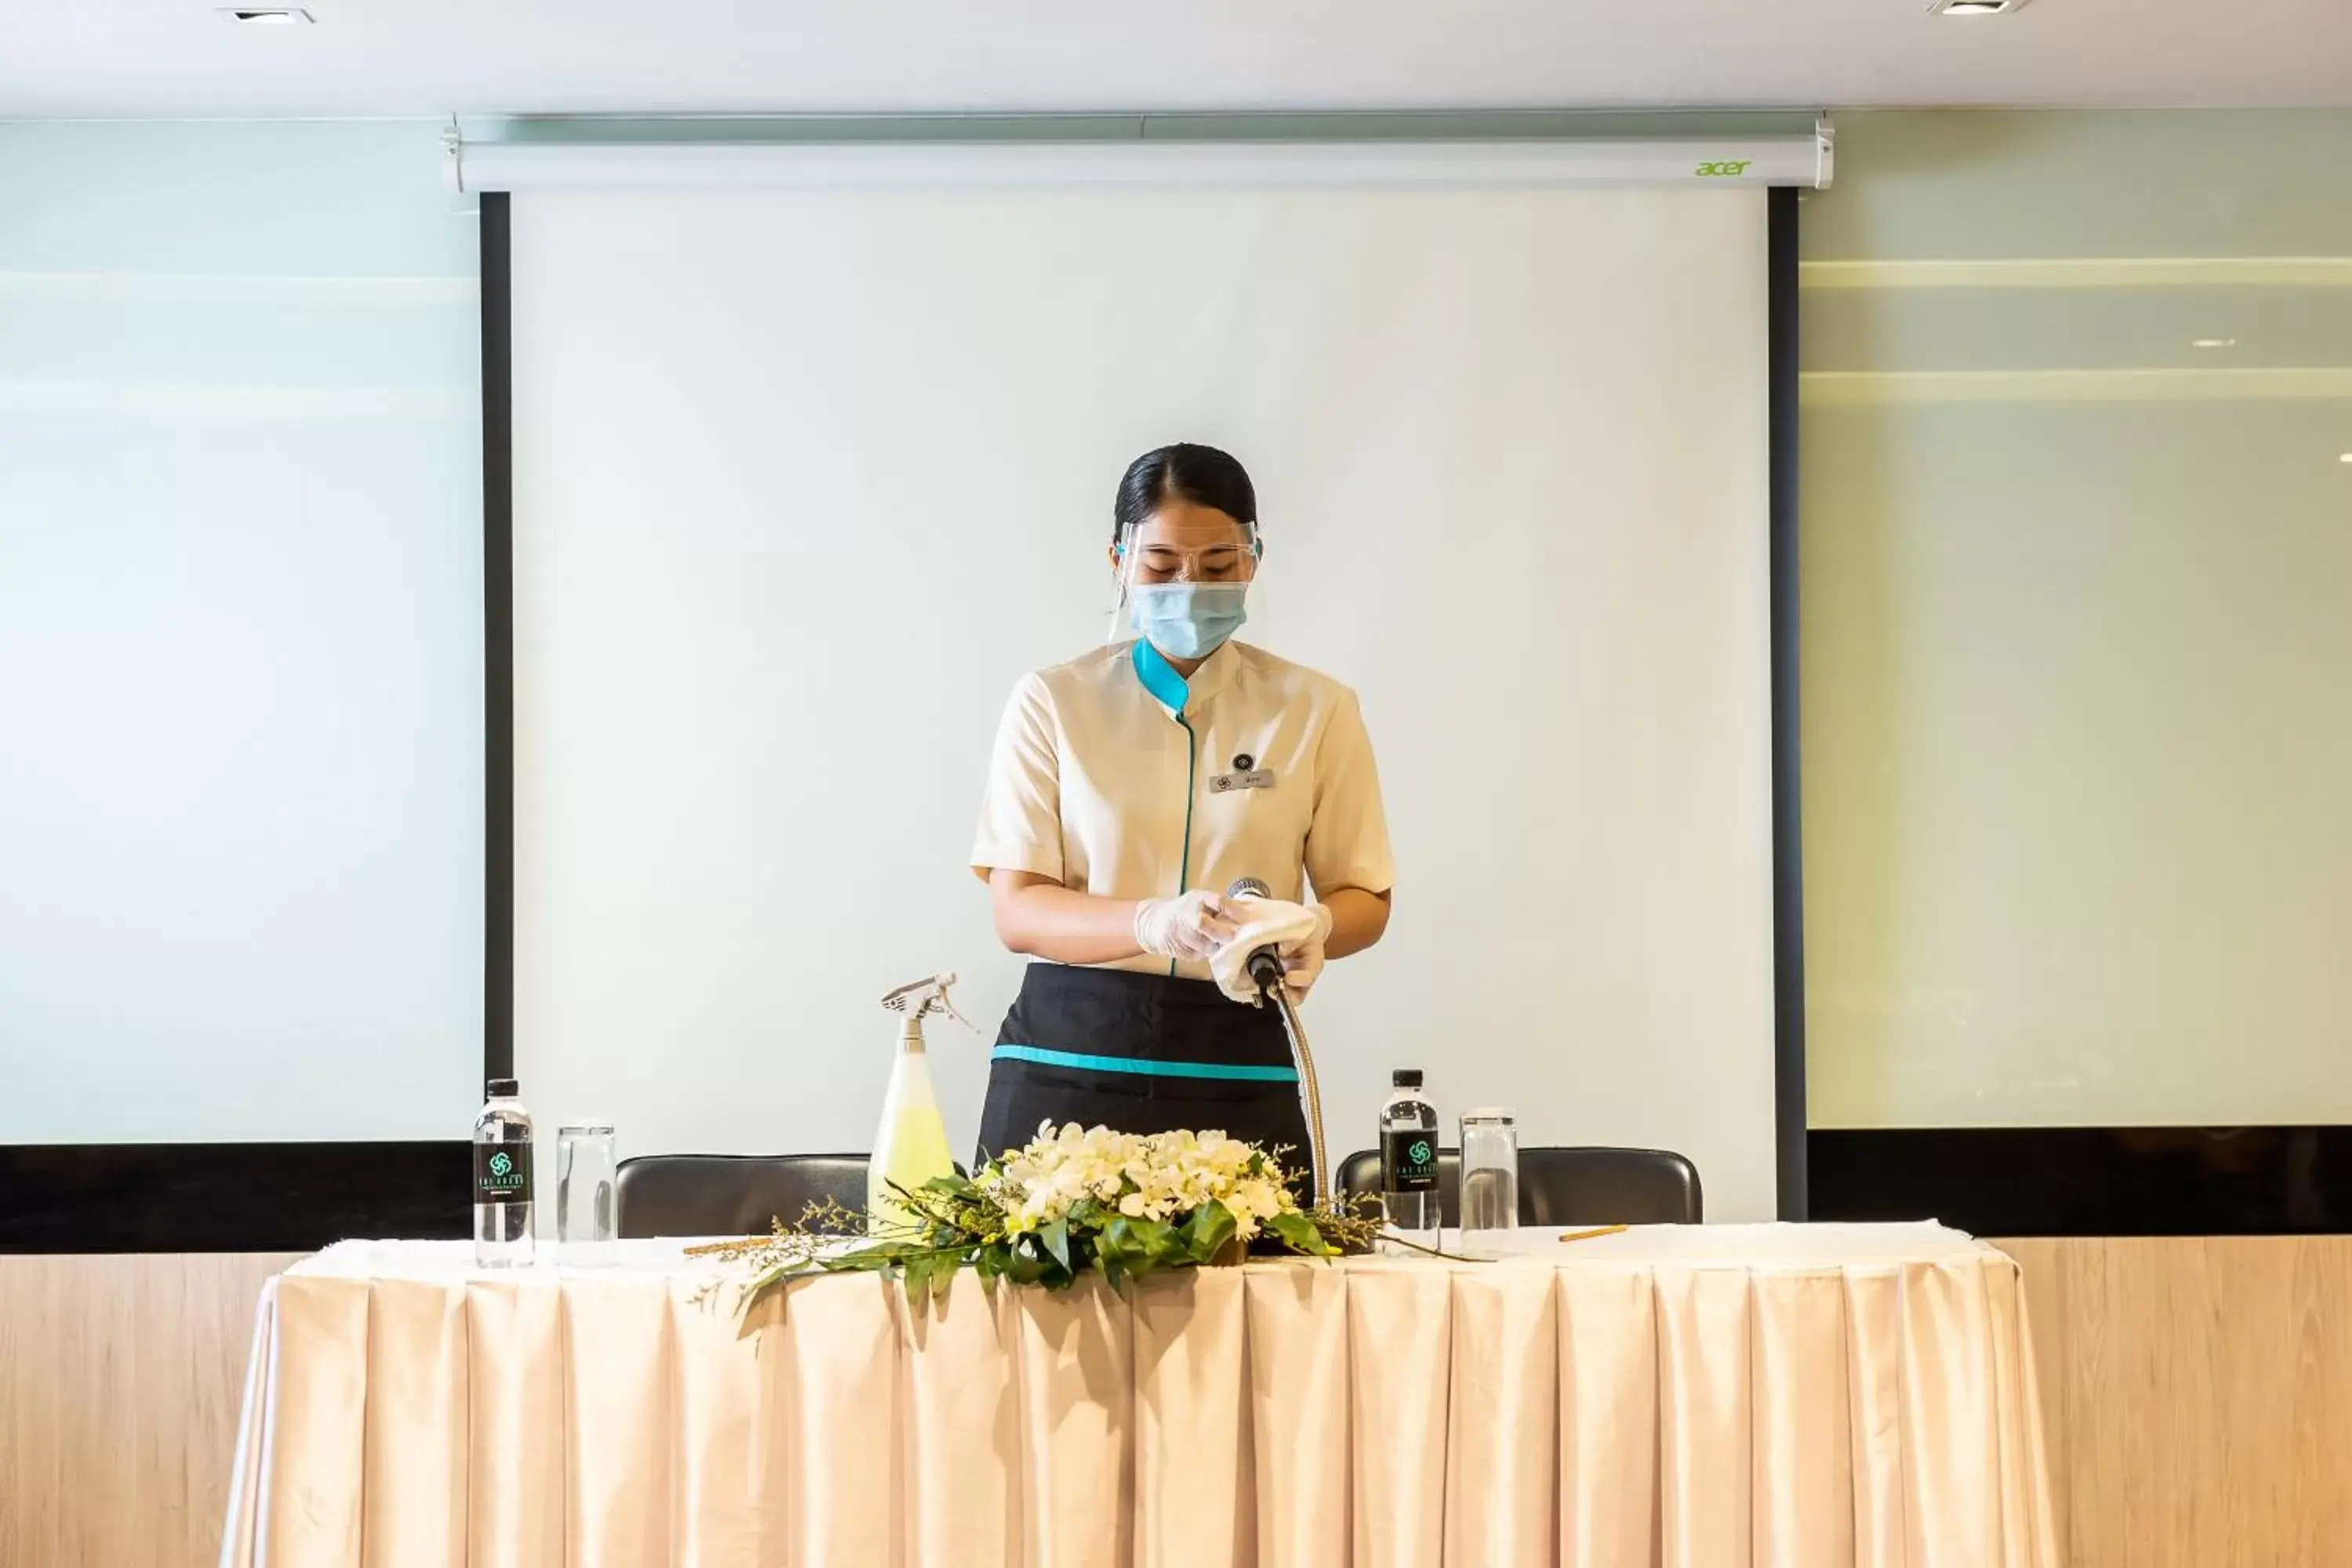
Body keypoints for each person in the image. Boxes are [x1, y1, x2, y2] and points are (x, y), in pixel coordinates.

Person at [969, 442, 1395, 1183]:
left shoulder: (1316, 710)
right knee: (1039, 1293)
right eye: (1161, 567)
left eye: (1219, 565)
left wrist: (1314, 927)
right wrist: (1148, 922)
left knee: (1261, 1293)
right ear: (1119, 561)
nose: (1189, 586)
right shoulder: (1054, 702)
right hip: (1068, 1057)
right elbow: (1018, 911)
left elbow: (1366, 896)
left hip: (1236, 1055)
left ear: (1254, 558)